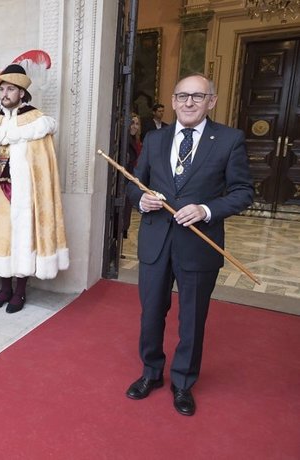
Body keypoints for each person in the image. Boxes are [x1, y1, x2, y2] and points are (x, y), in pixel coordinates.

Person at [125, 74, 253, 416]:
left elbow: (243, 192)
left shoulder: (229, 139)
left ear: (211, 100)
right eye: (182, 96)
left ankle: (183, 382)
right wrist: (142, 199)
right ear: (174, 99)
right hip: (155, 241)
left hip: (199, 244)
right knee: (151, 312)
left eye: (198, 96)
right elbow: (135, 184)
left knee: (192, 318)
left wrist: (206, 209)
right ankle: (151, 373)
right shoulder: (154, 138)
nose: (189, 103)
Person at [0, 64, 69, 313]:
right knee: (2, 240)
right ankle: (4, 289)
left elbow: (42, 165)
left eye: (10, 89)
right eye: (2, 89)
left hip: (24, 193)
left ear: (21, 92)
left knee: (23, 239)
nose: (4, 94)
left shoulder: (36, 121)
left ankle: (19, 292)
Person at [122, 114, 142, 241]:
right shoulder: (125, 140)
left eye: (137, 124)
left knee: (127, 209)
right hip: (124, 179)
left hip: (133, 178)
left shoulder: (137, 141)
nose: (134, 126)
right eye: (132, 123)